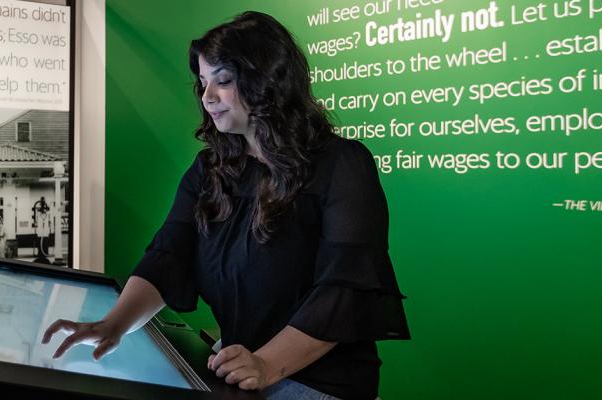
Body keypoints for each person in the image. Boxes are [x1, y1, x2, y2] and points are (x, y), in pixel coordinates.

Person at [41, 11, 409, 400]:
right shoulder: (209, 169)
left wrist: (266, 364)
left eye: (224, 81)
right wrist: (115, 324)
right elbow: (168, 256)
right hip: (242, 370)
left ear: (268, 81)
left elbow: (343, 291)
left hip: (317, 382)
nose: (208, 97)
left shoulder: (342, 165)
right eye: (202, 83)